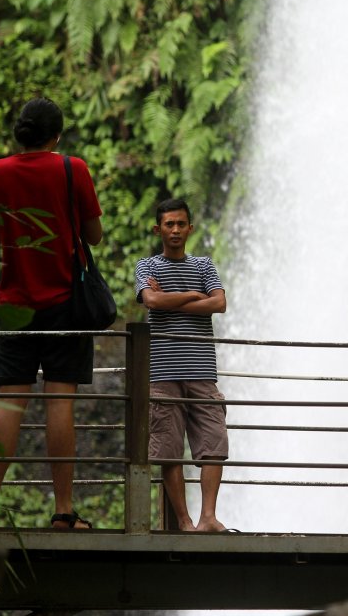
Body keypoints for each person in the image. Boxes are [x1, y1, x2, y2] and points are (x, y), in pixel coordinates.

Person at [0, 97, 103, 529]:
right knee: (60, 401)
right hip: (66, 301)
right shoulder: (73, 169)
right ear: (57, 134)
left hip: (14, 302)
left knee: (10, 404)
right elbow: (95, 235)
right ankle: (64, 512)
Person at [134, 198, 230, 532]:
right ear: (157, 228)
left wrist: (173, 301)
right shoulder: (146, 266)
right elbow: (151, 300)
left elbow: (219, 303)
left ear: (190, 227)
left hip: (202, 371)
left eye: (181, 224)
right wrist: (194, 296)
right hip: (163, 372)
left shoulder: (204, 265)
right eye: (169, 224)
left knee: (214, 445)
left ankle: (208, 518)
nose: (175, 230)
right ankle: (185, 522)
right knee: (169, 450)